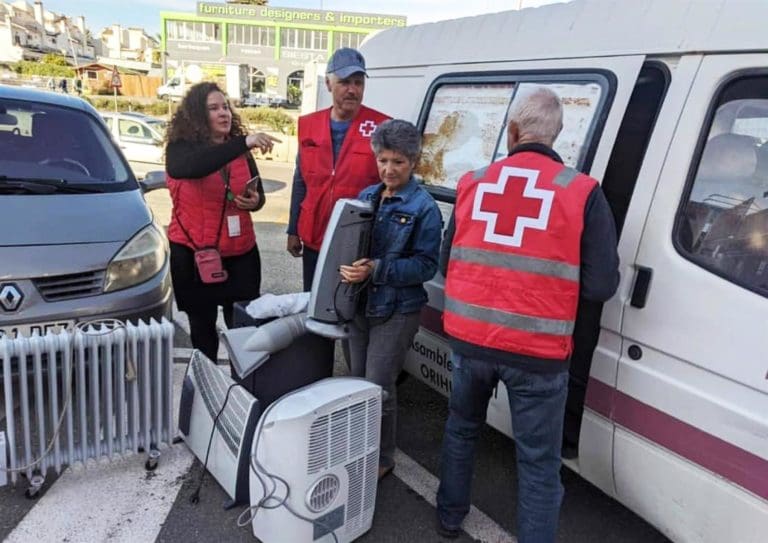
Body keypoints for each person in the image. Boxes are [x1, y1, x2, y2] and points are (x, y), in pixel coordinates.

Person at [435, 87, 620, 542]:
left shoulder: (473, 182)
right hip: (538, 354)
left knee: (461, 430)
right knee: (538, 463)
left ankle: (448, 518)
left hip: (469, 341)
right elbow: (601, 285)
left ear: (513, 131)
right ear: (558, 135)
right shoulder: (583, 192)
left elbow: (447, 262)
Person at [339, 119, 442, 480]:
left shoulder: (424, 207)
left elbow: (427, 266)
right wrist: (347, 271)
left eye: (397, 161)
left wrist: (377, 269)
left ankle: (381, 458)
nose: (388, 169)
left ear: (413, 161)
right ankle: (359, 444)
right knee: (356, 383)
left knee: (378, 387)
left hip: (396, 311)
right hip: (360, 305)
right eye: (383, 160)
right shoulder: (367, 196)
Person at [165, 81, 279, 362]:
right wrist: (243, 142)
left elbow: (259, 194)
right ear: (197, 116)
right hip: (193, 256)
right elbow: (189, 168)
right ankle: (208, 387)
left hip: (240, 255)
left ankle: (244, 391)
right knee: (202, 331)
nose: (224, 113)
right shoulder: (181, 149)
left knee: (243, 329)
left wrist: (256, 201)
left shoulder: (239, 150)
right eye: (213, 108)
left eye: (225, 106)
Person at [287, 47, 390, 291]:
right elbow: (301, 180)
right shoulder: (309, 126)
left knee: (347, 311)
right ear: (328, 83)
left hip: (358, 241)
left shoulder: (382, 127)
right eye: (344, 82)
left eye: (358, 82)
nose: (352, 90)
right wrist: (293, 229)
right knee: (312, 302)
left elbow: (392, 186)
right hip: (314, 235)